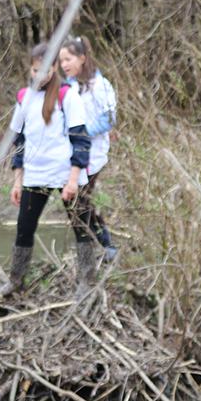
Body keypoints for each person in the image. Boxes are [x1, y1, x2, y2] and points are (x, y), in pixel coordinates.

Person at [1, 42, 99, 298]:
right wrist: (17, 181)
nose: (39, 76)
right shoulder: (24, 97)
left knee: (81, 224)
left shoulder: (68, 95)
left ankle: (87, 282)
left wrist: (73, 181)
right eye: (35, 71)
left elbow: (80, 139)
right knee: (24, 226)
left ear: (55, 67)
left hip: (67, 173)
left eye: (45, 70)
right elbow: (19, 142)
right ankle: (16, 281)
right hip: (35, 175)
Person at [59, 35, 118, 260]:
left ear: (82, 58)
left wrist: (81, 131)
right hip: (73, 154)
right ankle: (96, 246)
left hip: (93, 154)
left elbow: (108, 119)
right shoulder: (68, 85)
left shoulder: (100, 85)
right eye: (61, 60)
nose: (64, 65)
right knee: (76, 202)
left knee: (81, 201)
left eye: (68, 59)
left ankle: (105, 246)